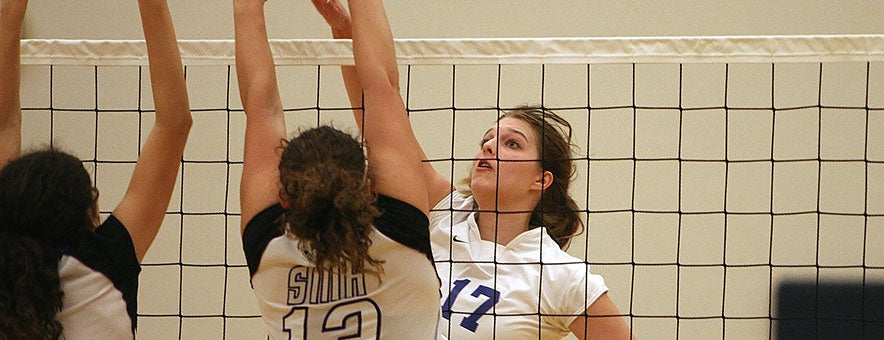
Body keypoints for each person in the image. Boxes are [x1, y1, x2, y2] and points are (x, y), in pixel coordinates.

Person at [311, 1, 635, 338]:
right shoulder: (445, 213)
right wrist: (343, 30)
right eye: (488, 139)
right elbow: (380, 110)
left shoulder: (561, 276)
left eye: (512, 144)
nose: (490, 146)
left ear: (541, 179)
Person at [233, 0, 439, 338]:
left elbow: (261, 106)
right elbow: (381, 85)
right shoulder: (401, 234)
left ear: (284, 196)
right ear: (369, 186)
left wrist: (246, 8)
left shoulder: (268, 249)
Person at [0, 0, 192, 338]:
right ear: (87, 213)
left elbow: (4, 126)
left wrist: (11, 11)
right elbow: (175, 123)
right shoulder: (107, 261)